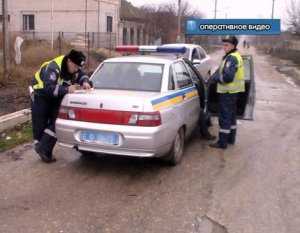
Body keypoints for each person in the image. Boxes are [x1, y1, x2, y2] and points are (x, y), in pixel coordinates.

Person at [30, 49, 92, 162]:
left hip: (55, 94)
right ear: (69, 61)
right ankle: (42, 148)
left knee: (57, 121)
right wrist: (67, 89)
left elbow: (81, 75)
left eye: (79, 67)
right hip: (40, 94)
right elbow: (48, 88)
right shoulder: (53, 68)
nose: (76, 69)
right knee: (40, 124)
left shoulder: (74, 66)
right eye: (75, 66)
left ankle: (44, 149)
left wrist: (85, 81)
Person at [209, 35, 245, 149]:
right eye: (223, 44)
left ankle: (222, 143)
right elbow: (220, 70)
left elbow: (228, 77)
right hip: (233, 92)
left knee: (224, 117)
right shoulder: (232, 56)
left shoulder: (231, 58)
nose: (224, 47)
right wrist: (213, 76)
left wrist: (215, 79)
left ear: (233, 46)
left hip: (227, 92)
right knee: (231, 117)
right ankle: (230, 139)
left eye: (226, 45)